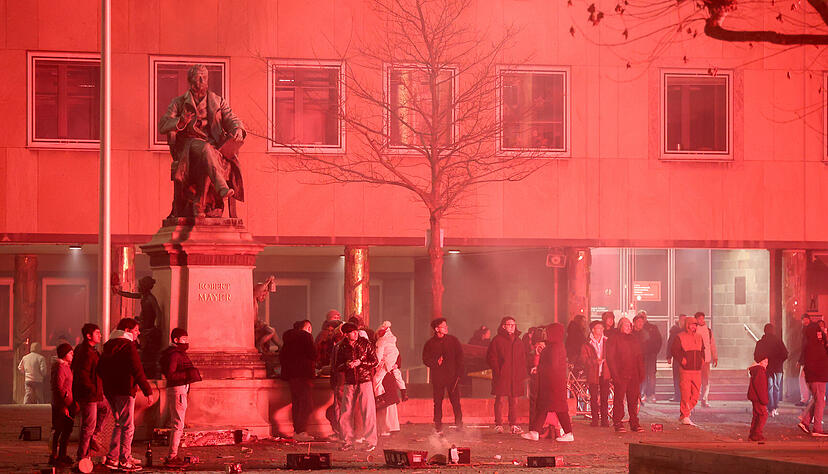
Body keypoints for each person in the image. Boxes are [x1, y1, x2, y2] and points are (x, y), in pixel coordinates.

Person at [158, 64, 245, 217]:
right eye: (196, 79)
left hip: (212, 149)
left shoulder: (218, 102)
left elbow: (232, 119)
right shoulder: (178, 103)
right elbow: (163, 124)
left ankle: (200, 203)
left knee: (207, 152)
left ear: (207, 81)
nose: (199, 82)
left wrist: (237, 129)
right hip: (189, 147)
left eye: (202, 79)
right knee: (205, 148)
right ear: (190, 81)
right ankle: (221, 187)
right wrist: (180, 122)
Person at [98, 318, 154, 472]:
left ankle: (113, 457)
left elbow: (101, 369)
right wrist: (147, 390)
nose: (139, 333)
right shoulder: (128, 346)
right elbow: (137, 369)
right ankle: (125, 460)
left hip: (111, 390)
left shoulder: (108, 346)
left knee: (119, 423)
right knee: (128, 426)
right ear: (127, 331)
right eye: (136, 330)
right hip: (125, 389)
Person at [522, 323, 574, 442]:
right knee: (544, 408)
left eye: (547, 331)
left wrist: (539, 369)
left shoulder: (555, 347)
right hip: (551, 383)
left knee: (558, 408)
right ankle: (535, 432)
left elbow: (553, 366)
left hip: (552, 383)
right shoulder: (554, 346)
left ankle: (568, 433)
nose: (545, 333)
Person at [160, 328, 202, 467]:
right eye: (184, 339)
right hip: (178, 389)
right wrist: (189, 374)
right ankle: (172, 456)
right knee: (178, 424)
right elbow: (170, 375)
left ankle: (172, 455)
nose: (187, 342)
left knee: (178, 423)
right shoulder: (175, 355)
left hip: (179, 389)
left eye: (187, 339)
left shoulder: (176, 353)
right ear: (176, 340)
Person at [335, 322, 378, 451]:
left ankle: (371, 441)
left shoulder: (366, 343)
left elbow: (374, 361)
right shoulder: (342, 347)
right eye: (349, 333)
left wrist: (361, 362)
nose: (353, 334)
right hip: (350, 381)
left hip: (365, 380)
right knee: (346, 412)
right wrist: (347, 364)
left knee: (368, 411)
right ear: (345, 334)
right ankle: (347, 441)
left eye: (354, 332)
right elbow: (337, 366)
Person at [112, 276, 163, 378]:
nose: (138, 287)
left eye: (140, 285)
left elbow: (158, 312)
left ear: (145, 286)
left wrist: (156, 327)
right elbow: (132, 295)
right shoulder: (144, 296)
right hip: (144, 326)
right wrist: (119, 293)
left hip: (148, 328)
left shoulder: (150, 298)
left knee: (145, 352)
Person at [72, 323, 108, 462]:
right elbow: (83, 375)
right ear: (88, 336)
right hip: (89, 395)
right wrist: (92, 389)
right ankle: (82, 457)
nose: (100, 335)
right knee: (88, 426)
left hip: (94, 393)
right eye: (97, 333)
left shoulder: (91, 350)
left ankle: (94, 437)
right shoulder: (86, 352)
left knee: (105, 408)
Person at [422, 318, 464, 434]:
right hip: (438, 377)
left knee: (455, 401)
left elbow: (460, 356)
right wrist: (436, 362)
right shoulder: (430, 344)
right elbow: (425, 359)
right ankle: (438, 425)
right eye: (443, 326)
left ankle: (459, 424)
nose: (446, 328)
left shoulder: (453, 341)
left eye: (446, 326)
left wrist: (459, 372)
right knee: (438, 402)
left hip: (452, 376)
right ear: (436, 329)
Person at [487, 316, 527, 434]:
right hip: (502, 375)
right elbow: (491, 357)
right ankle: (498, 424)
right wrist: (498, 370)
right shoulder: (497, 340)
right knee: (499, 399)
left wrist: (522, 373)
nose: (512, 327)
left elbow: (522, 359)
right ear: (503, 326)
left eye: (513, 325)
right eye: (509, 325)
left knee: (513, 400)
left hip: (515, 376)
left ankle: (513, 424)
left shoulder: (518, 341)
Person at [280, 320, 317, 442]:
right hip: (303, 374)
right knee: (306, 404)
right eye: (310, 327)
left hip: (292, 375)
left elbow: (282, 356)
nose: (311, 330)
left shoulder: (288, 339)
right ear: (305, 327)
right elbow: (313, 354)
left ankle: (297, 430)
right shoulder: (306, 337)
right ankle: (301, 431)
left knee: (297, 403)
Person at [607, 317, 644, 433]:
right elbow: (611, 358)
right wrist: (615, 374)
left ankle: (634, 422)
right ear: (620, 326)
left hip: (633, 374)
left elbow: (639, 357)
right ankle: (618, 422)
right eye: (626, 325)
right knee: (619, 400)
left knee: (633, 400)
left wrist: (641, 372)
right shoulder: (614, 338)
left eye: (629, 325)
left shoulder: (634, 339)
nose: (629, 327)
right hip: (621, 373)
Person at [374, 321, 407, 437]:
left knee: (386, 403)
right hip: (390, 375)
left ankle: (386, 428)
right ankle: (388, 427)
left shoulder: (381, 344)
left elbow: (379, 357)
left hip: (386, 375)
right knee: (388, 404)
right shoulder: (393, 347)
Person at [671, 316, 704, 426]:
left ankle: (685, 413)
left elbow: (702, 350)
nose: (694, 327)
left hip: (697, 370)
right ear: (687, 325)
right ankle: (685, 415)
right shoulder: (680, 337)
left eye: (695, 325)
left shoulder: (699, 337)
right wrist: (682, 359)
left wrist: (702, 360)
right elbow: (674, 350)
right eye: (692, 324)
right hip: (685, 370)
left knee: (695, 395)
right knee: (685, 393)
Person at [797, 323, 828, 436]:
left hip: (817, 377)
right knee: (820, 401)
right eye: (818, 332)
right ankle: (817, 428)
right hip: (818, 377)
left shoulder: (811, 344)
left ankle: (805, 422)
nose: (820, 334)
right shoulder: (813, 345)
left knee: (817, 399)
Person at [753, 323, 788, 417]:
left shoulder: (761, 342)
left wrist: (764, 360)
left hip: (767, 368)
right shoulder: (778, 341)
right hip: (777, 367)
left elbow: (756, 357)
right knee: (776, 388)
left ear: (764, 331)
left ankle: (771, 407)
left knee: (769, 388)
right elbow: (785, 354)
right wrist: (779, 361)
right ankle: (775, 407)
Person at [49, 343, 75, 467]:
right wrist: (63, 405)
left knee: (66, 430)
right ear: (64, 354)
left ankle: (62, 455)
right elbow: (58, 388)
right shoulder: (60, 367)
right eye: (70, 353)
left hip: (67, 403)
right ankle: (54, 456)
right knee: (58, 430)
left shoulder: (66, 366)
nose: (72, 355)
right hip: (61, 405)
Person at [580, 320, 610, 427]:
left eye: (602, 328)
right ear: (593, 330)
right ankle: (595, 420)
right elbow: (583, 359)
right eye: (598, 328)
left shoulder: (607, 342)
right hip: (593, 373)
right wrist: (594, 361)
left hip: (605, 373)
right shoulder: (587, 344)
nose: (601, 330)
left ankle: (605, 420)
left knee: (604, 398)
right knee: (593, 397)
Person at [633, 311, 662, 403]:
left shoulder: (652, 328)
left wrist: (654, 352)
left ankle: (650, 394)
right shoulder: (634, 332)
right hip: (640, 357)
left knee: (651, 375)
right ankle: (642, 394)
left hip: (650, 357)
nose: (641, 321)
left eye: (643, 317)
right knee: (642, 376)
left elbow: (658, 341)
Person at [694, 312, 717, 407]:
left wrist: (715, 356)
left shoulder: (708, 331)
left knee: (706, 381)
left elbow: (712, 345)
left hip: (706, 359)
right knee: (696, 380)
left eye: (702, 318)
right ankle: (695, 399)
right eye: (699, 319)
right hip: (697, 360)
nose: (701, 320)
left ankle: (704, 399)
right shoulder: (694, 330)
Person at [666, 314, 687, 402]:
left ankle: (684, 396)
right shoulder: (674, 330)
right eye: (682, 319)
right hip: (677, 357)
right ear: (679, 320)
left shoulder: (688, 330)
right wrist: (669, 356)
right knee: (677, 377)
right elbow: (670, 343)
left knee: (684, 377)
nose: (683, 321)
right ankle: (677, 395)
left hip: (686, 357)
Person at [747, 358, 769, 441]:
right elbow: (761, 387)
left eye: (767, 362)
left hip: (755, 397)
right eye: (764, 361)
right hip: (758, 398)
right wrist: (764, 400)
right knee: (763, 414)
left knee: (757, 415)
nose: (766, 364)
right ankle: (756, 434)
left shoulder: (756, 370)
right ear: (760, 362)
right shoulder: (760, 371)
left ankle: (753, 433)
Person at [796, 314, 812, 407]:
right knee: (805, 379)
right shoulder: (805, 330)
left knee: (802, 378)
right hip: (809, 359)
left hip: (807, 360)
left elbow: (804, 347)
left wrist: (800, 360)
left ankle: (805, 399)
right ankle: (808, 398)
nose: (804, 322)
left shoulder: (805, 331)